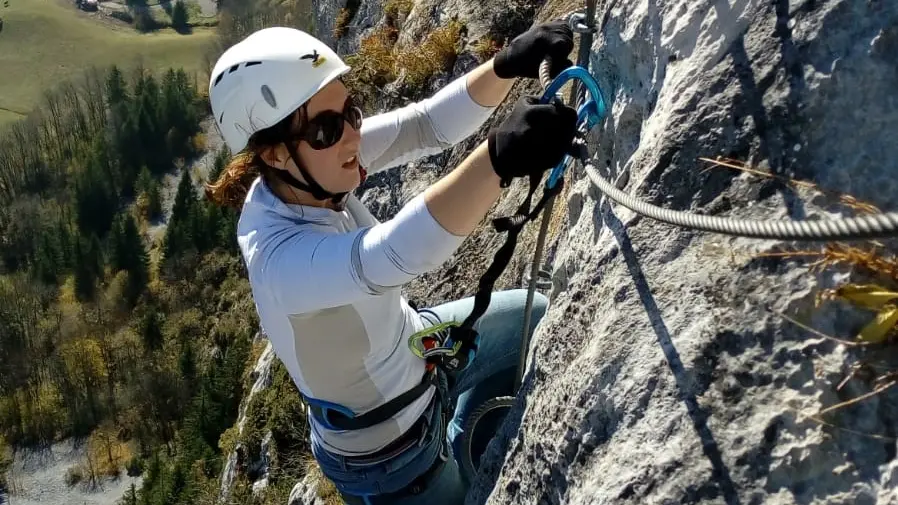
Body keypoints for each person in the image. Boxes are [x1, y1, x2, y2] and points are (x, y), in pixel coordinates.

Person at [206, 21, 578, 504]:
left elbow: (423, 126)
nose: (351, 137)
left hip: (419, 350)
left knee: (539, 314)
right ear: (275, 154)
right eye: (326, 128)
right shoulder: (278, 259)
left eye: (351, 112)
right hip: (393, 459)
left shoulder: (314, 171)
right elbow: (385, 257)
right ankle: (462, 447)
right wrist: (498, 158)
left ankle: (464, 435)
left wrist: (507, 62)